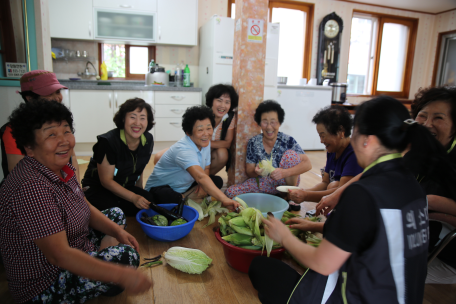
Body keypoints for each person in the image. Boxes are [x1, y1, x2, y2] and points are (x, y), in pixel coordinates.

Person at [249, 96, 443, 304]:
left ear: (367, 140)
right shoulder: (413, 186)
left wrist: (284, 236)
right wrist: (312, 226)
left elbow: (323, 264)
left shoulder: (363, 193)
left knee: (260, 268)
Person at [0, 100, 151, 304]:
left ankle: (94, 262)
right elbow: (59, 256)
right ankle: (95, 267)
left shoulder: (60, 168)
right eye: (51, 134)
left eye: (66, 131)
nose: (64, 141)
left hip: (75, 244)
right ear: (29, 146)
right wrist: (121, 275)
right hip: (45, 282)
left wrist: (118, 232)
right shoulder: (30, 187)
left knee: (115, 213)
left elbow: (84, 205)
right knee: (125, 258)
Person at [314, 87, 456, 284]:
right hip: (415, 238)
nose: (428, 124)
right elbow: (377, 170)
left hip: (445, 255)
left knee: (357, 269)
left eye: (439, 118)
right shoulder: (415, 148)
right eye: (423, 116)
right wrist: (337, 194)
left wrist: (428, 203)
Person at [145, 105, 240, 211]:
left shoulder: (205, 142)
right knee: (167, 196)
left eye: (209, 128)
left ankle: (185, 199)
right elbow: (200, 177)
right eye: (200, 130)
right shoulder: (184, 149)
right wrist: (224, 199)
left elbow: (206, 168)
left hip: (184, 187)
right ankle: (186, 200)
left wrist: (202, 185)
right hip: (161, 188)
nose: (206, 134)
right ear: (188, 132)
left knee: (217, 181)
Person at [0, 70, 80, 182]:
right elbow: (19, 174)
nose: (57, 98)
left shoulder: (61, 122)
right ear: (30, 98)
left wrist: (77, 191)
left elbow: (72, 158)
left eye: (58, 92)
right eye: (49, 94)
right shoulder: (13, 130)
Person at [82, 98, 155, 217]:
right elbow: (106, 181)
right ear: (123, 119)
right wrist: (133, 197)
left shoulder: (147, 139)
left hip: (124, 186)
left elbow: (139, 168)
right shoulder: (108, 142)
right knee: (114, 210)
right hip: (99, 188)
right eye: (132, 117)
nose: (137, 123)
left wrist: (139, 192)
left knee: (148, 199)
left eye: (142, 118)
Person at [225, 100, 311, 198]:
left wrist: (284, 173)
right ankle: (272, 197)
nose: (269, 127)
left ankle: (290, 197)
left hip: (286, 185)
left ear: (279, 123)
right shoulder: (253, 142)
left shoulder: (288, 140)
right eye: (265, 122)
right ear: (260, 123)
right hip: (263, 183)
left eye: (273, 122)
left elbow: (307, 164)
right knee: (230, 193)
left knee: (290, 155)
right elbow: (249, 171)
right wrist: (256, 172)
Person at [154, 84, 238, 175]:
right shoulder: (202, 115)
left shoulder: (230, 118)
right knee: (158, 157)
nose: (223, 106)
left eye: (227, 102)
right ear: (212, 101)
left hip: (211, 151)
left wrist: (205, 143)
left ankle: (202, 181)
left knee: (223, 154)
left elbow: (227, 143)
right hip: (193, 147)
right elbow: (191, 138)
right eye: (219, 100)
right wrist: (203, 143)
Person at [288, 105, 362, 203]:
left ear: (341, 132)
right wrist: (302, 191)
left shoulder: (353, 154)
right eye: (320, 136)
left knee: (334, 185)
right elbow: (325, 183)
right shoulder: (332, 151)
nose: (321, 141)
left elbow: (340, 192)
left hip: (352, 202)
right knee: (331, 184)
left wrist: (306, 196)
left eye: (323, 136)